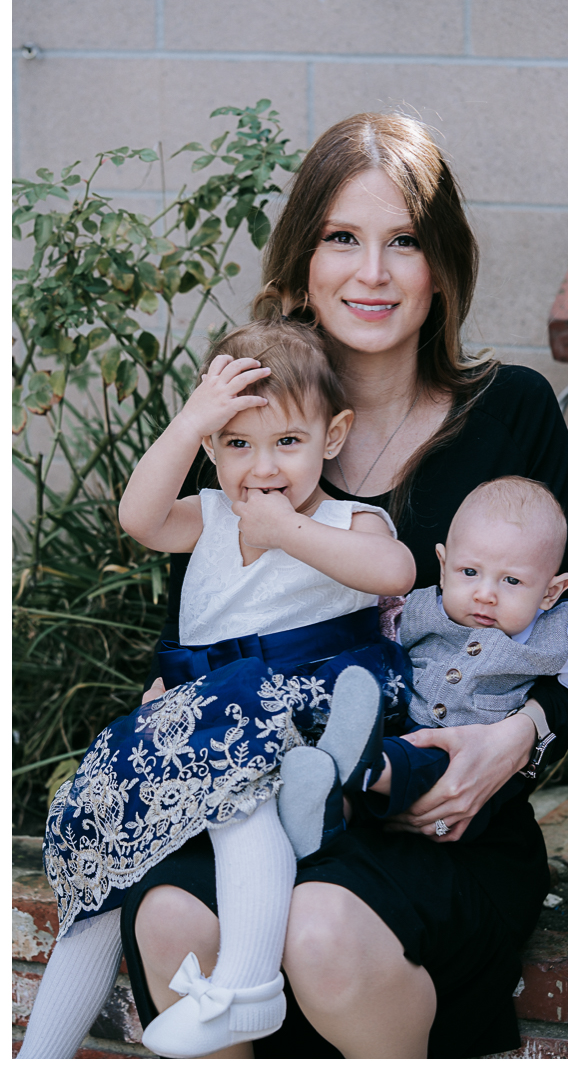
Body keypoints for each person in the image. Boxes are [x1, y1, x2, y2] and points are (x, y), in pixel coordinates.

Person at [28, 112, 568, 1060]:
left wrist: (516, 741)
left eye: (404, 244)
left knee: (322, 930)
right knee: (173, 915)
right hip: (254, 793)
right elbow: (213, 598)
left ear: (443, 266)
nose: (372, 274)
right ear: (304, 257)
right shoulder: (262, 413)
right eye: (343, 238)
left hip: (425, 812)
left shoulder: (510, 414)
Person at [18, 310, 417, 1060]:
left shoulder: (344, 519)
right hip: (197, 715)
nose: (261, 469)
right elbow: (137, 518)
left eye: (287, 443)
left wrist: (284, 531)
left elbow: (394, 574)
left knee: (236, 788)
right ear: (211, 446)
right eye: (236, 444)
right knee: (103, 858)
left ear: (332, 437)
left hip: (294, 700)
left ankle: (245, 988)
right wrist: (189, 421)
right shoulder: (206, 516)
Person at [338, 476, 568, 841]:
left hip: (466, 770)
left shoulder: (552, 635)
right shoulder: (416, 610)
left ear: (550, 592)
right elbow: (372, 647)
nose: (485, 594)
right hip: (400, 733)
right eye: (469, 573)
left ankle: (359, 764)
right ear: (443, 565)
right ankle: (331, 804)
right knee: (354, 767)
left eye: (511, 581)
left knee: (416, 763)